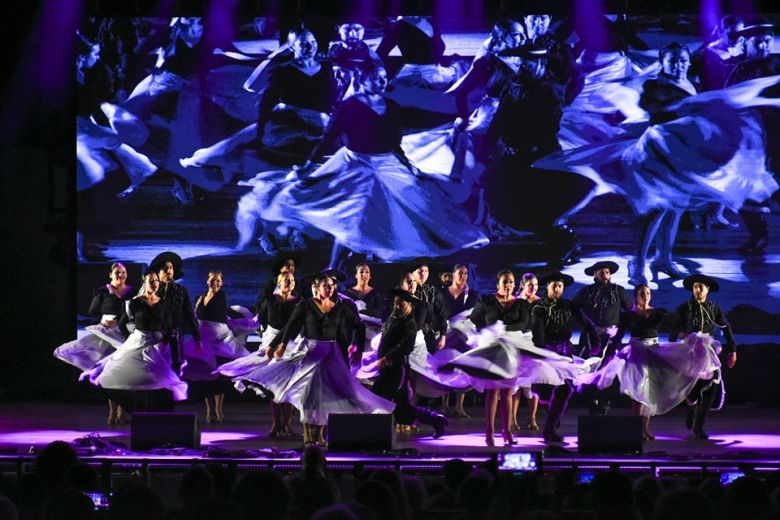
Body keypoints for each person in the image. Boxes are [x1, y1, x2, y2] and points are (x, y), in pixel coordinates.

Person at [535, 42, 778, 285]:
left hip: (680, 158)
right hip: (655, 160)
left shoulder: (688, 83)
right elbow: (654, 117)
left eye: (682, 60)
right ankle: (637, 263)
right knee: (653, 212)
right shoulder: (654, 85)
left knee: (674, 209)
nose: (679, 64)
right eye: (673, 60)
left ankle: (663, 258)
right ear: (662, 62)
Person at [250, 61, 488, 268]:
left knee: (413, 204)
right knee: (354, 214)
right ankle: (334, 266)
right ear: (362, 81)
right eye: (375, 79)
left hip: (387, 164)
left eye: (384, 78)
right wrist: (309, 164)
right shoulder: (350, 107)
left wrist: (409, 165)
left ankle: (374, 256)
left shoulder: (392, 106)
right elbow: (327, 139)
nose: (381, 83)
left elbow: (396, 142)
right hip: (355, 164)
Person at [253, 272, 391, 447]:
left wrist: (356, 347)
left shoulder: (340, 308)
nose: (330, 288)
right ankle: (307, 435)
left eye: (332, 286)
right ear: (316, 288)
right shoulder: (305, 306)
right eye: (326, 285)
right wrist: (277, 345)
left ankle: (320, 434)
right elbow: (290, 327)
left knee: (328, 397)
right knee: (309, 397)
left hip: (332, 355)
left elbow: (358, 326)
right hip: (311, 354)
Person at [480, 44, 589, 261]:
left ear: (539, 62)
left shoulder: (550, 89)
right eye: (520, 62)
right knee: (508, 202)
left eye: (528, 62)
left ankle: (565, 243)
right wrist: (489, 144)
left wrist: (529, 146)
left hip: (540, 155)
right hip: (514, 156)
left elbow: (547, 124)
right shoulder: (512, 86)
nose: (522, 66)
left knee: (544, 205)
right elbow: (500, 118)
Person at [575, 284, 722, 441]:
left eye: (647, 293)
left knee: (650, 393)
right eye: (641, 293)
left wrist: (690, 337)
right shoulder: (628, 315)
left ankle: (645, 430)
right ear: (636, 295)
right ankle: (636, 430)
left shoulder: (657, 313)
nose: (645, 295)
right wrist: (611, 355)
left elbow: (674, 325)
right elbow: (618, 337)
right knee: (638, 393)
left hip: (653, 354)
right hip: (636, 355)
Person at [443, 270, 534, 446]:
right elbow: (476, 318)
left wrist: (502, 329)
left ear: (514, 284)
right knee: (493, 392)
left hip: (511, 351)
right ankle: (490, 432)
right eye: (505, 282)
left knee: (508, 391)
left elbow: (523, 323)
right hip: (492, 350)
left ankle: (507, 431)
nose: (508, 285)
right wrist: (489, 332)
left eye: (510, 282)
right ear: (498, 284)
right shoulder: (488, 301)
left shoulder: (521, 304)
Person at [82, 269, 188, 403]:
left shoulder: (163, 303)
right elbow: (122, 324)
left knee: (156, 377)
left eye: (155, 280)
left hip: (157, 344)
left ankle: (151, 410)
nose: (153, 283)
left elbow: (168, 325)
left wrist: (165, 340)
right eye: (150, 280)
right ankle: (133, 407)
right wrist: (132, 339)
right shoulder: (135, 302)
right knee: (127, 371)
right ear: (144, 283)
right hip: (138, 340)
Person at [217, 270, 299, 437]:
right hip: (271, 343)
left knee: (288, 386)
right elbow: (262, 320)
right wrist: (265, 337)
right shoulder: (270, 300)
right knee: (272, 384)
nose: (288, 283)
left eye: (291, 280)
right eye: (285, 280)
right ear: (279, 283)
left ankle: (287, 424)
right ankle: (276, 423)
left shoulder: (298, 303)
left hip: (290, 344)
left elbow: (295, 325)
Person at [54, 262, 134, 424]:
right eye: (117, 272)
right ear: (110, 275)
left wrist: (122, 321)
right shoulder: (103, 292)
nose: (120, 275)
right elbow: (92, 311)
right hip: (107, 335)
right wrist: (106, 321)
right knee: (109, 373)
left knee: (125, 373)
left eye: (123, 272)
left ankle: (122, 411)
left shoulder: (132, 292)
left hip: (126, 334)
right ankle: (112, 410)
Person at [531, 272, 599, 442]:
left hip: (563, 353)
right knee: (544, 393)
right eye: (554, 285)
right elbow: (538, 333)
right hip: (545, 353)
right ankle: (552, 415)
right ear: (547, 287)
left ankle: (549, 428)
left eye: (560, 286)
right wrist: (540, 355)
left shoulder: (569, 306)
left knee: (565, 389)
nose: (557, 288)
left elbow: (587, 323)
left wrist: (595, 341)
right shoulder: (539, 308)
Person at [371, 289, 448, 438]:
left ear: (409, 305)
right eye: (396, 303)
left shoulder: (410, 323)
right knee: (402, 409)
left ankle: (379, 433)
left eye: (401, 304)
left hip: (396, 369)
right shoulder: (393, 318)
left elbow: (406, 346)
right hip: (388, 368)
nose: (397, 306)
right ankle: (435, 419)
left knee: (379, 398)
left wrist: (388, 357)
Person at [668, 274, 737, 439]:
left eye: (701, 287)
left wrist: (732, 349)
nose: (697, 290)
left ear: (707, 290)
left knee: (710, 389)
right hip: (689, 352)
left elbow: (726, 328)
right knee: (693, 388)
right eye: (695, 287)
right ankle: (691, 409)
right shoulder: (684, 308)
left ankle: (699, 426)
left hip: (707, 352)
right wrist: (672, 349)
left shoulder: (714, 308)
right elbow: (673, 330)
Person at [185, 270, 250, 423]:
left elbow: (219, 312)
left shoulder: (221, 296)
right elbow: (197, 317)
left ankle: (219, 411)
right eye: (212, 280)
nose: (215, 283)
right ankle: (209, 411)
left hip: (220, 341)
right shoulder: (200, 298)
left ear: (221, 283)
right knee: (207, 377)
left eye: (218, 281)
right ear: (207, 281)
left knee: (220, 379)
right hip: (205, 342)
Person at [572, 260, 633, 415]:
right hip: (590, 337)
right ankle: (593, 402)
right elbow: (573, 308)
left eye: (607, 272)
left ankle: (605, 402)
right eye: (601, 272)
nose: (605, 275)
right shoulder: (586, 292)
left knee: (609, 370)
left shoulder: (619, 291)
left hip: (611, 338)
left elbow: (630, 311)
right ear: (595, 274)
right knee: (589, 369)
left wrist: (620, 329)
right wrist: (587, 325)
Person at [438, 263, 478, 419]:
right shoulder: (442, 293)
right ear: (453, 274)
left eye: (466, 273)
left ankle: (459, 406)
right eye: (460, 273)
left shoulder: (471, 294)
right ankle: (444, 405)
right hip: (446, 334)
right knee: (445, 367)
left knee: (462, 369)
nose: (463, 276)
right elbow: (440, 313)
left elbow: (472, 314)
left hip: (463, 336)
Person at [151, 251, 201, 375]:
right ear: (158, 272)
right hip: (156, 337)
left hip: (175, 337)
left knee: (176, 368)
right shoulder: (152, 291)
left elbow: (189, 314)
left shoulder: (181, 291)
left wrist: (197, 338)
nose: (168, 270)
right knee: (156, 369)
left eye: (171, 267)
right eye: (165, 268)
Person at [511, 272, 541, 432]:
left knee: (532, 384)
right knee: (517, 383)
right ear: (522, 285)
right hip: (517, 343)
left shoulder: (539, 303)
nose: (533, 288)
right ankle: (512, 419)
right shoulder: (515, 302)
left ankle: (533, 417)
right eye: (530, 284)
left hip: (533, 345)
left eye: (535, 285)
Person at [691, 15, 745, 91]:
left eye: (741, 34)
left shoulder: (744, 52)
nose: (738, 39)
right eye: (733, 35)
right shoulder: (705, 55)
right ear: (720, 33)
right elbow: (690, 78)